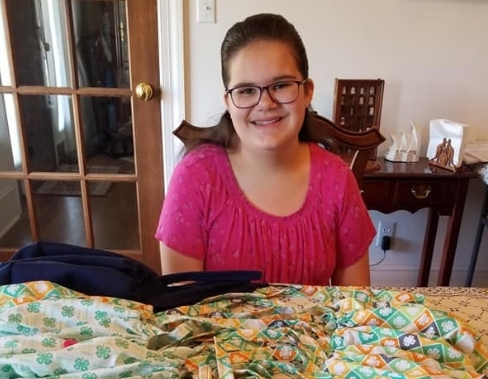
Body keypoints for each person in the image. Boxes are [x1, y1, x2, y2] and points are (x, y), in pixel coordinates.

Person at [156, 13, 373, 286]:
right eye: (246, 90)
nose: (265, 103)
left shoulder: (338, 179)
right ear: (228, 101)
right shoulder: (195, 178)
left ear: (307, 92)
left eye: (281, 85)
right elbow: (181, 309)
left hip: (316, 330)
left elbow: (355, 305)